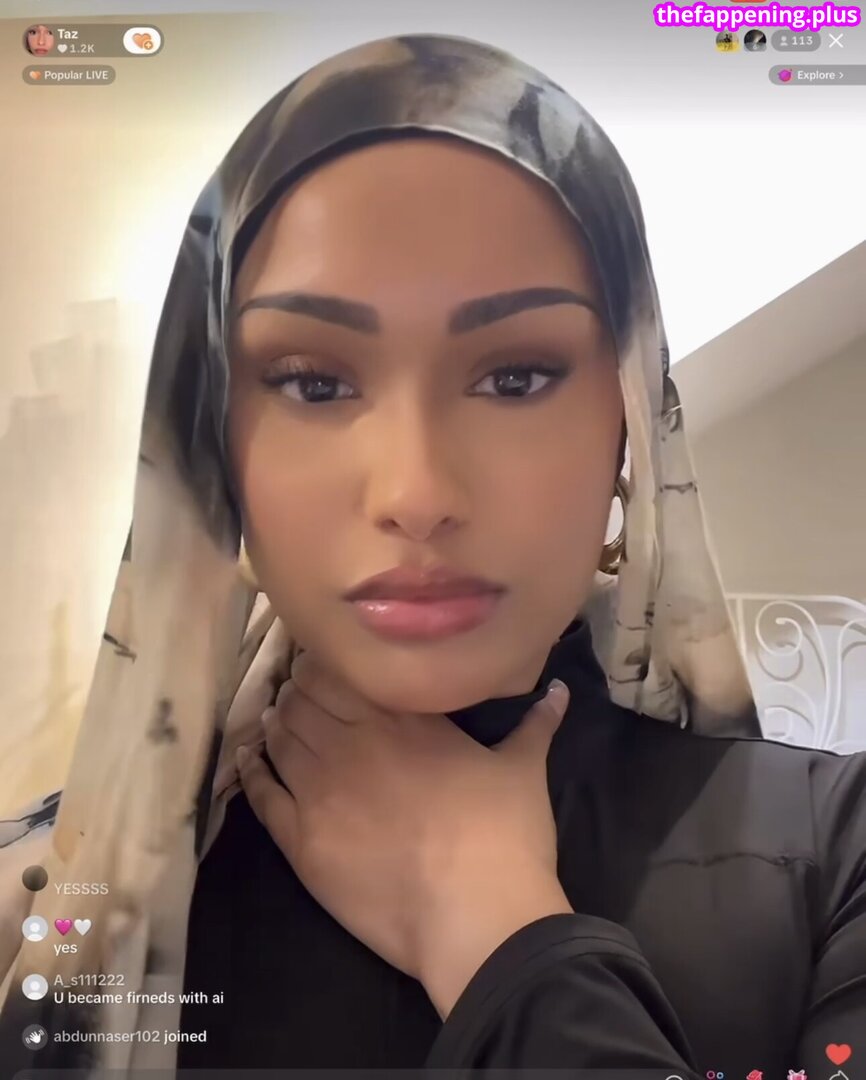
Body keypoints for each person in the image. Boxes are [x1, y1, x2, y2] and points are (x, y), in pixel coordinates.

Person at [0, 32, 864, 1078]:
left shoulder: (836, 855)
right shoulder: (47, 906)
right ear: (211, 452)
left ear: (630, 425)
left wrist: (498, 935)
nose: (414, 495)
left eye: (515, 378)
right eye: (314, 382)